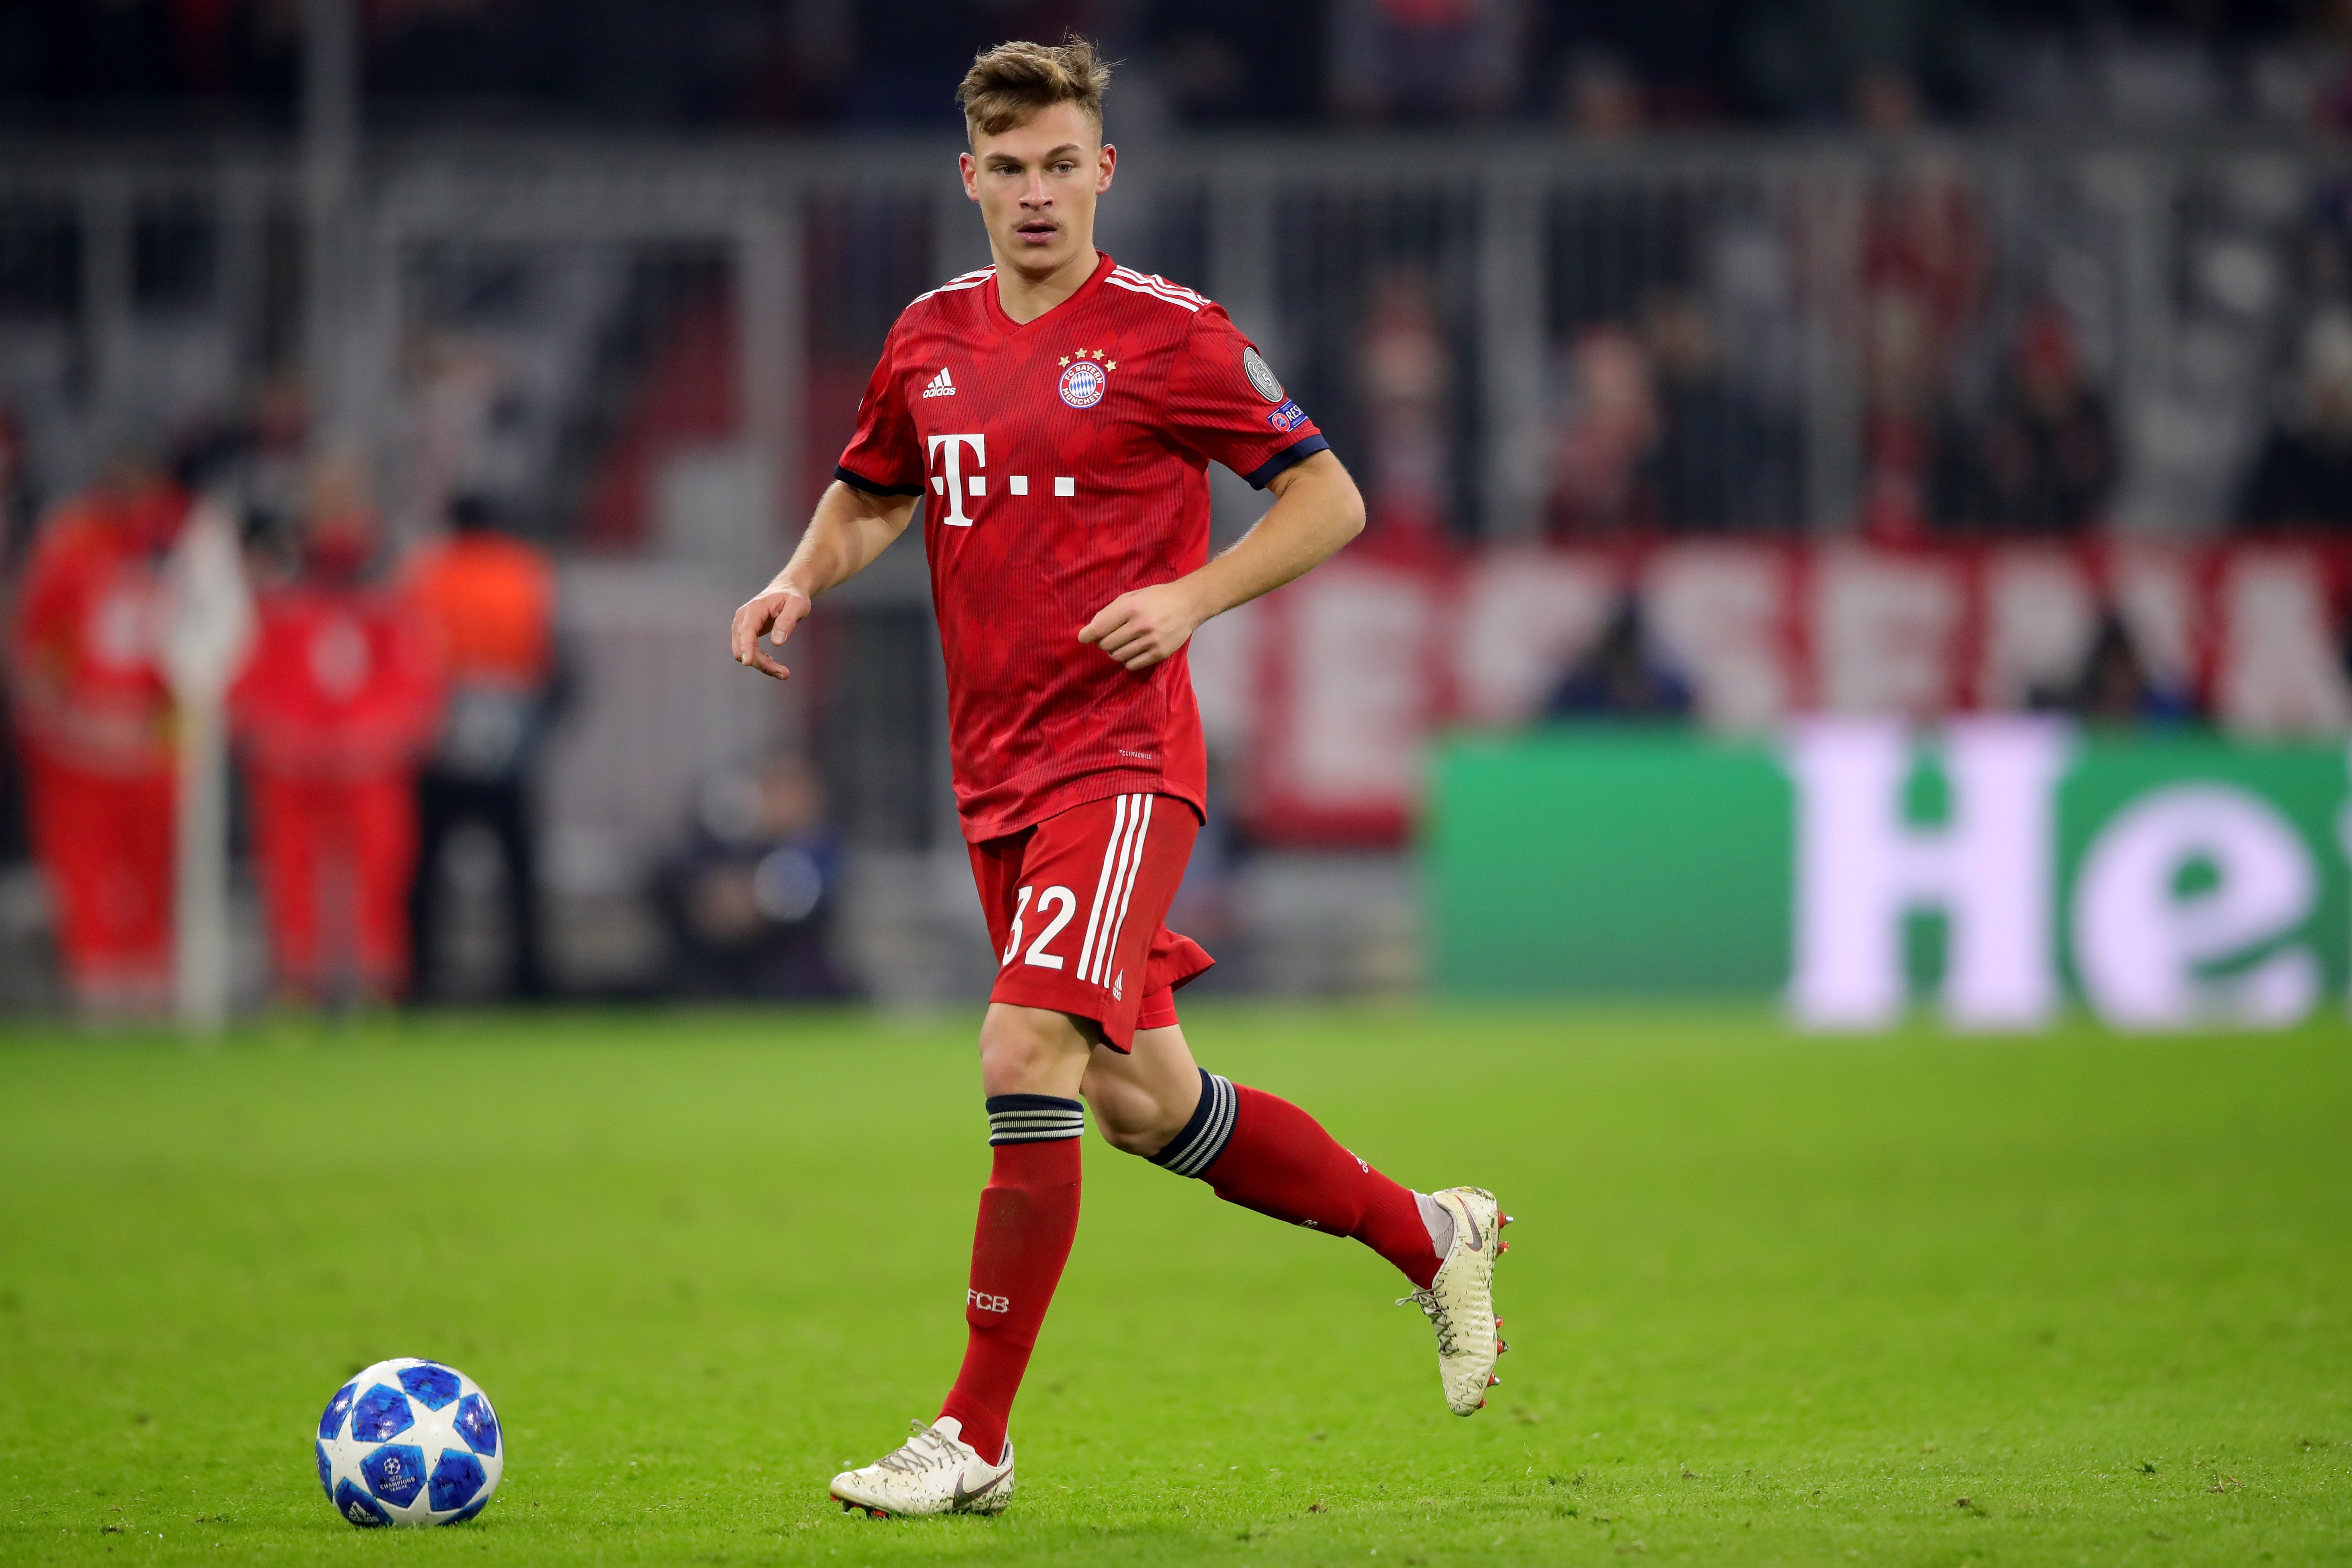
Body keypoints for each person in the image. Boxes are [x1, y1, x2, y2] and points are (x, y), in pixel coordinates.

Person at [729, 37, 1509, 1519]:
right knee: (1146, 1100)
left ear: (1106, 168)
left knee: (1023, 1048)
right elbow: (877, 490)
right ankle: (1431, 1230)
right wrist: (798, 576)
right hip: (997, 773)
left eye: (1061, 163)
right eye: (1008, 168)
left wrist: (1195, 596)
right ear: (970, 178)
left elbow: (1328, 497)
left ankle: (973, 1431)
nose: (1036, 193)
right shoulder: (928, 335)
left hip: (1122, 757)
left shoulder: (1171, 333)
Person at [232, 462, 442, 1006]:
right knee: (290, 871)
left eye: (343, 502)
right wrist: (270, 730)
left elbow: (417, 673)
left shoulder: (390, 581)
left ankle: (377, 986)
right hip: (294, 761)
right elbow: (252, 668)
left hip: (367, 762)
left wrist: (388, 733)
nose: (334, 516)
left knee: (380, 871)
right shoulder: (280, 583)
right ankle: (296, 985)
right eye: (325, 502)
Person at [5, 450, 189, 1015]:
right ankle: (96, 984)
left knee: (154, 865)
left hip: (152, 742)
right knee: (85, 865)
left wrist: (167, 723)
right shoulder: (72, 552)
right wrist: (66, 719)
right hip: (83, 746)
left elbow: (203, 649)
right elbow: (39, 651)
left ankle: (152, 981)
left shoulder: (184, 550)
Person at [401, 494, 562, 1002]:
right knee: (517, 870)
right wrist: (537, 730)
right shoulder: (525, 573)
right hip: (510, 742)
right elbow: (556, 662)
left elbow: (402, 656)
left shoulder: (422, 573)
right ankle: (528, 980)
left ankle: (420, 978)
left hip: (437, 741)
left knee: (426, 870)